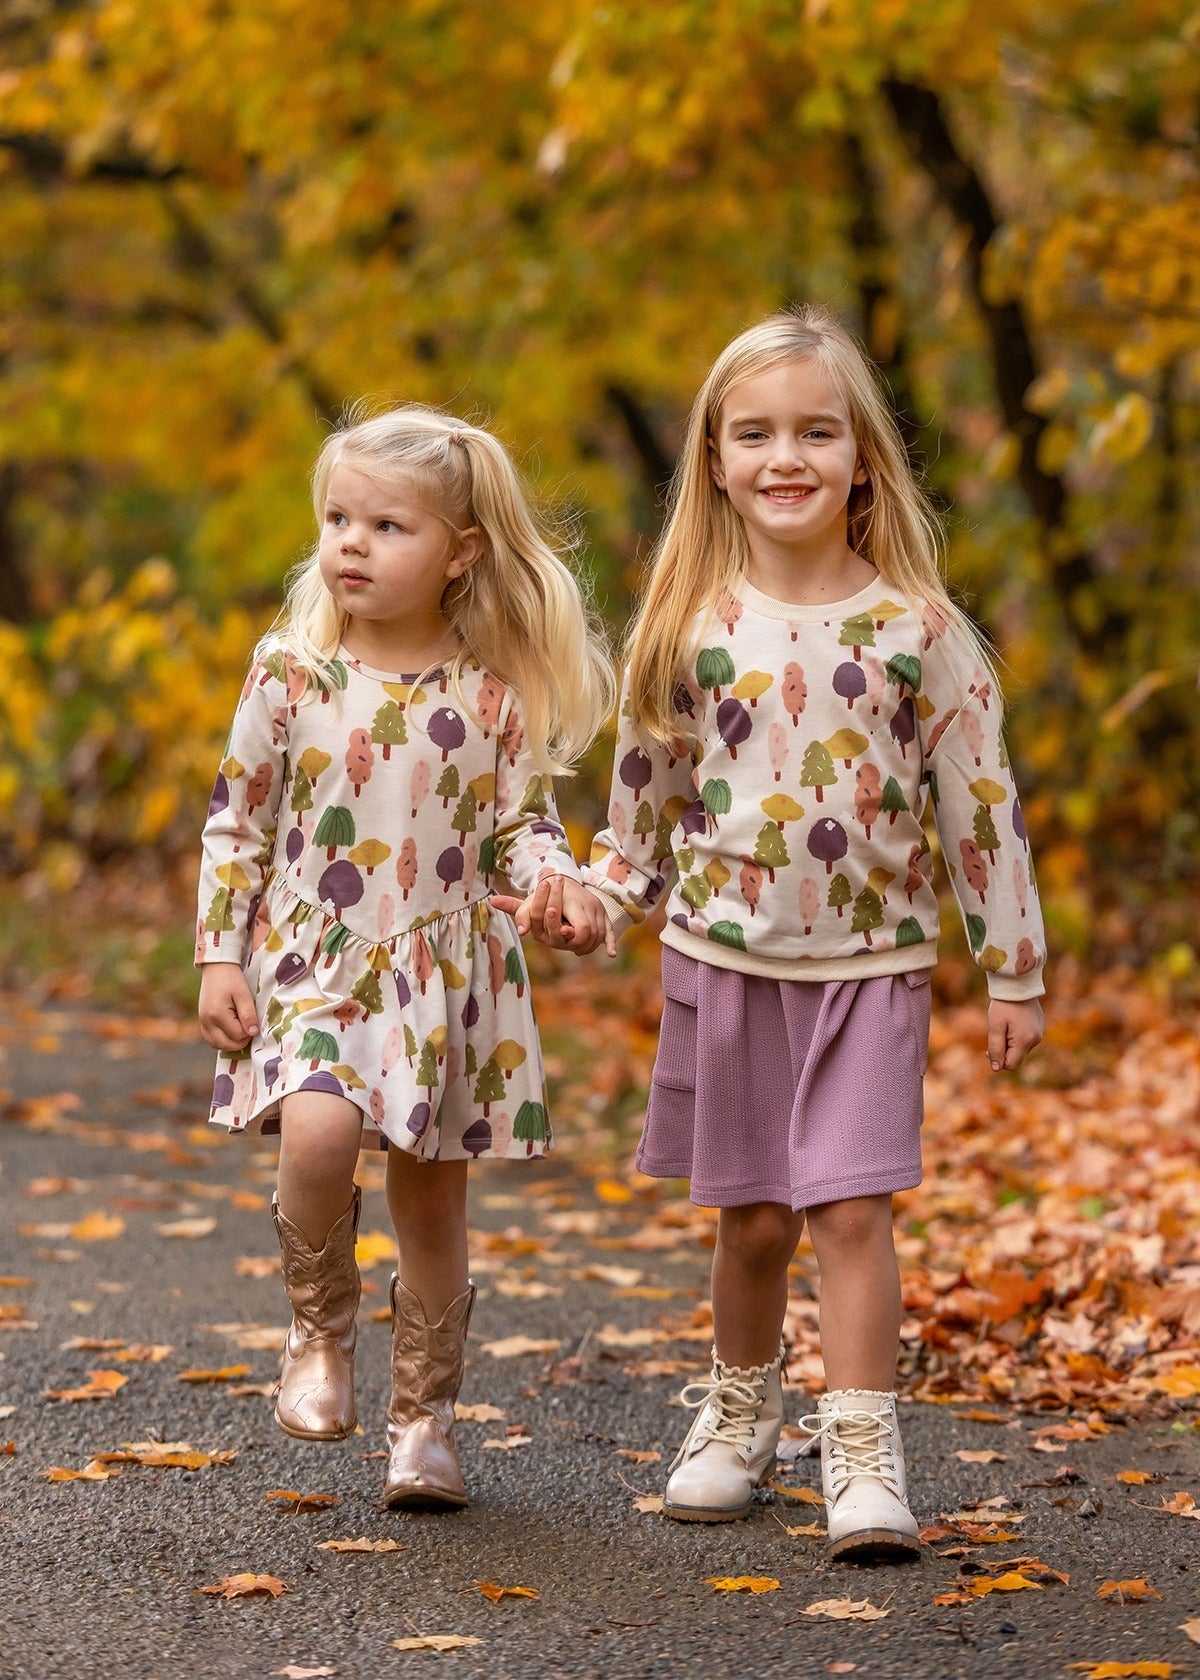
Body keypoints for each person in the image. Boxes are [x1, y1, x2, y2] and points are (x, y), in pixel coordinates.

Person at [510, 306, 1046, 1559]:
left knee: (852, 1210)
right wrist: (595, 900)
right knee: (751, 1216)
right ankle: (742, 1415)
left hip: (872, 967)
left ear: (865, 455)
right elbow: (646, 816)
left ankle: (863, 1449)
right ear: (713, 457)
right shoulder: (686, 631)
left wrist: (1013, 968)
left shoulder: (923, 633)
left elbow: (983, 811)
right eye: (754, 433)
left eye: (816, 430)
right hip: (725, 959)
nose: (784, 456)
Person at [196, 404, 612, 1511]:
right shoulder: (291, 672)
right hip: (318, 960)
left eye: (387, 524)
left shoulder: (491, 690)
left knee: (432, 1204)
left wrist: (553, 887)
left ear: (460, 552)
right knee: (321, 1129)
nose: (350, 544)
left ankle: (425, 1422)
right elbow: (236, 821)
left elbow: (522, 824)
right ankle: (319, 1329)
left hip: (445, 972)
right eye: (338, 518)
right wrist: (217, 956)